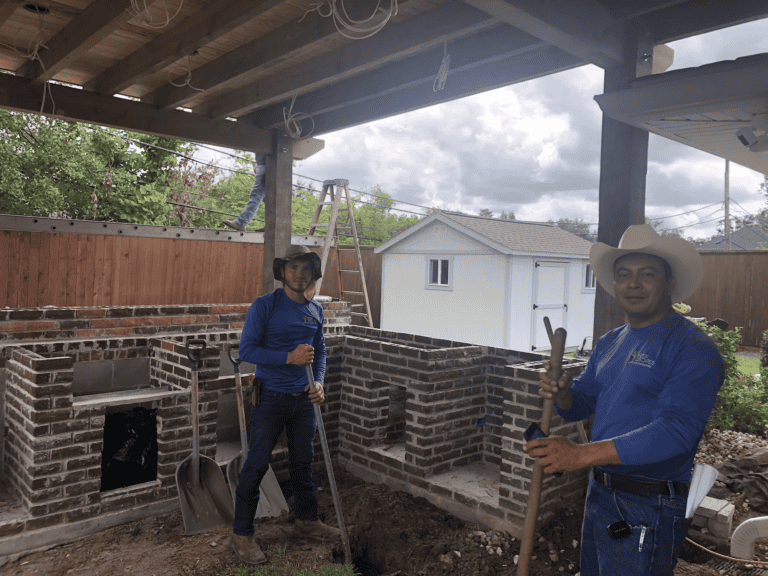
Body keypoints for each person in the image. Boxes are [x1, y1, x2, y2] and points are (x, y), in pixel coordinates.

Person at [524, 224, 725, 576]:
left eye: (647, 273)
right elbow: (581, 406)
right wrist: (564, 391)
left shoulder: (693, 348)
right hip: (601, 494)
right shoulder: (611, 341)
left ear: (669, 283)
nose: (634, 283)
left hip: (647, 504)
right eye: (624, 274)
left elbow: (676, 432)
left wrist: (579, 455)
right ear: (614, 285)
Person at [230, 244, 340, 566]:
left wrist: (318, 382)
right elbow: (247, 350)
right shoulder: (264, 306)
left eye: (305, 267)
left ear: (311, 273)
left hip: (304, 401)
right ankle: (241, 533)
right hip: (271, 398)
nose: (299, 273)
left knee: (303, 463)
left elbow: (319, 353)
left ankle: (307, 521)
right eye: (292, 267)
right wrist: (288, 358)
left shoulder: (315, 311)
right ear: (282, 272)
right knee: (257, 464)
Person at [223, 154, 266, 232]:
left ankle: (241, 222)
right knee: (269, 199)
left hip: (266, 166)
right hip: (268, 166)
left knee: (256, 196)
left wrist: (261, 166)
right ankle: (273, 225)